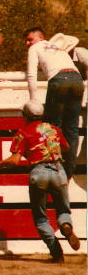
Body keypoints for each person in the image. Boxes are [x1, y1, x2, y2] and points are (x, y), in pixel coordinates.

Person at [0, 100, 80, 263]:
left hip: (38, 173)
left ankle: (57, 253)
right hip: (58, 170)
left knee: (41, 218)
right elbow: (66, 147)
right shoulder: (53, 129)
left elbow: (14, 161)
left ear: (25, 116)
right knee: (63, 211)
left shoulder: (22, 133)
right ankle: (65, 226)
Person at [24, 27, 84, 180]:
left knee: (53, 127)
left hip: (58, 81)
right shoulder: (59, 48)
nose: (27, 43)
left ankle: (54, 169)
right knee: (71, 128)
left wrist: (33, 100)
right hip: (77, 79)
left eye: (30, 39)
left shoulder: (35, 48)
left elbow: (31, 74)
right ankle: (69, 172)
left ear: (40, 37)